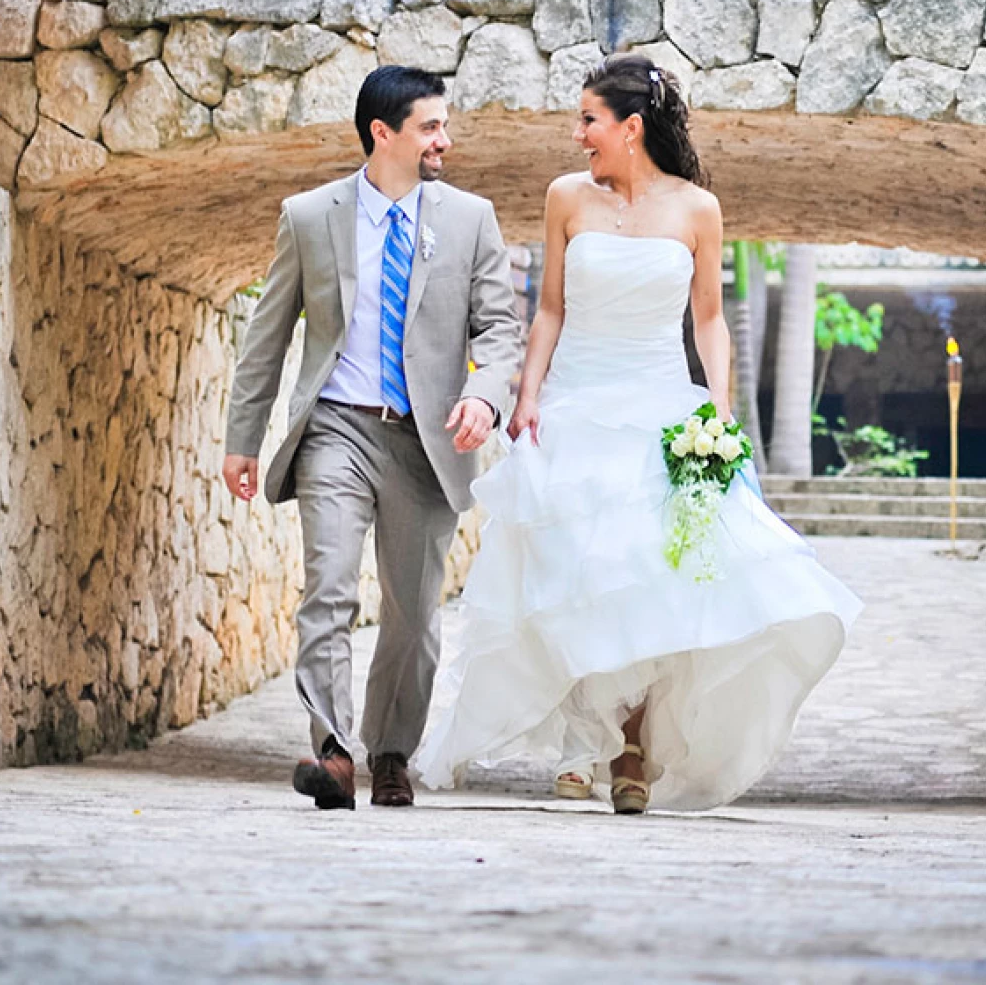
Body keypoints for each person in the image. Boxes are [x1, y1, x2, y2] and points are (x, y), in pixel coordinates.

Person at [411, 52, 860, 814]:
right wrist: (527, 396)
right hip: (576, 402)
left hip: (659, 405)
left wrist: (716, 408)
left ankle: (632, 747)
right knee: (582, 576)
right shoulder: (565, 199)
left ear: (631, 126)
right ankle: (598, 739)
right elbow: (548, 308)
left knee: (653, 577)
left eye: (588, 119)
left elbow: (709, 320)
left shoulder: (697, 209)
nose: (578, 133)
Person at [223, 66, 523, 810]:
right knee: (326, 587)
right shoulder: (308, 215)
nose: (444, 141)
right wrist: (243, 436)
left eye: (444, 126)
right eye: (430, 127)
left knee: (414, 614)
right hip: (336, 428)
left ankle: (390, 749)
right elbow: (266, 337)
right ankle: (331, 750)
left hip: (429, 440)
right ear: (382, 133)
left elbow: (500, 330)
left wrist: (485, 396)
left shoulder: (468, 219)